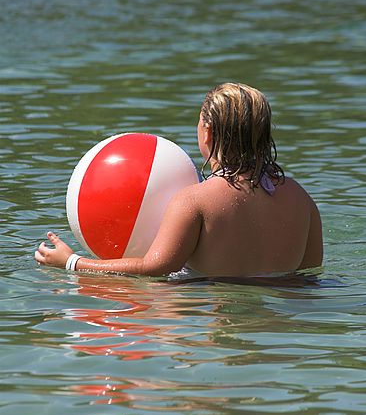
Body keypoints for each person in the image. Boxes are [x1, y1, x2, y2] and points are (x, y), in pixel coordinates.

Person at [35, 82, 323, 277]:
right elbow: (310, 274)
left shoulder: (195, 200)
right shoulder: (301, 199)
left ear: (207, 133)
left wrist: (72, 263)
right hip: (282, 329)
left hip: (212, 316)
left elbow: (154, 268)